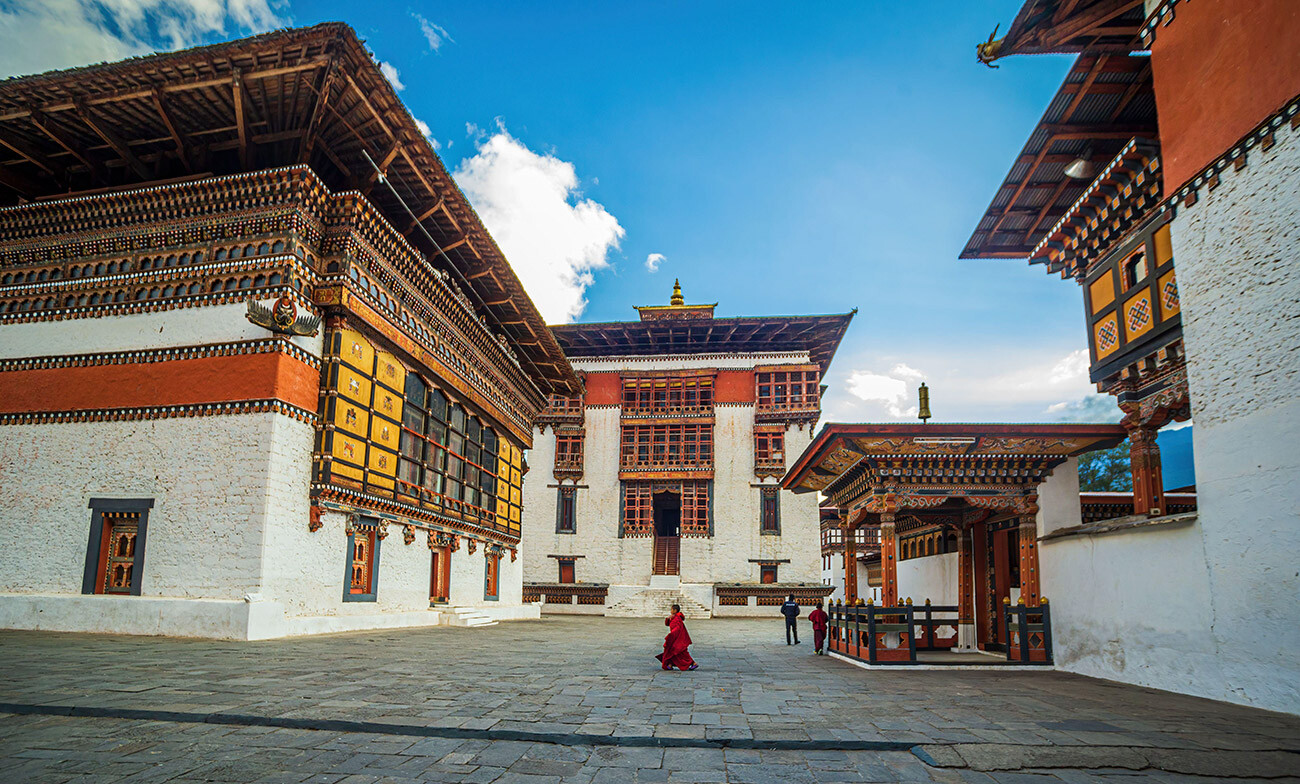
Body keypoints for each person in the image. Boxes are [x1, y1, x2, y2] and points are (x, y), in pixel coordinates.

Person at [655, 604, 698, 671]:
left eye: (671, 609)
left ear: (675, 610)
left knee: (681, 652)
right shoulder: (674, 617)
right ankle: (670, 664)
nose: (671, 611)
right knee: (672, 651)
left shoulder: (677, 618)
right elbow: (668, 624)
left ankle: (693, 663)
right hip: (676, 638)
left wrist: (671, 635)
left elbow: (677, 629)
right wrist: (669, 618)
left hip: (679, 638)